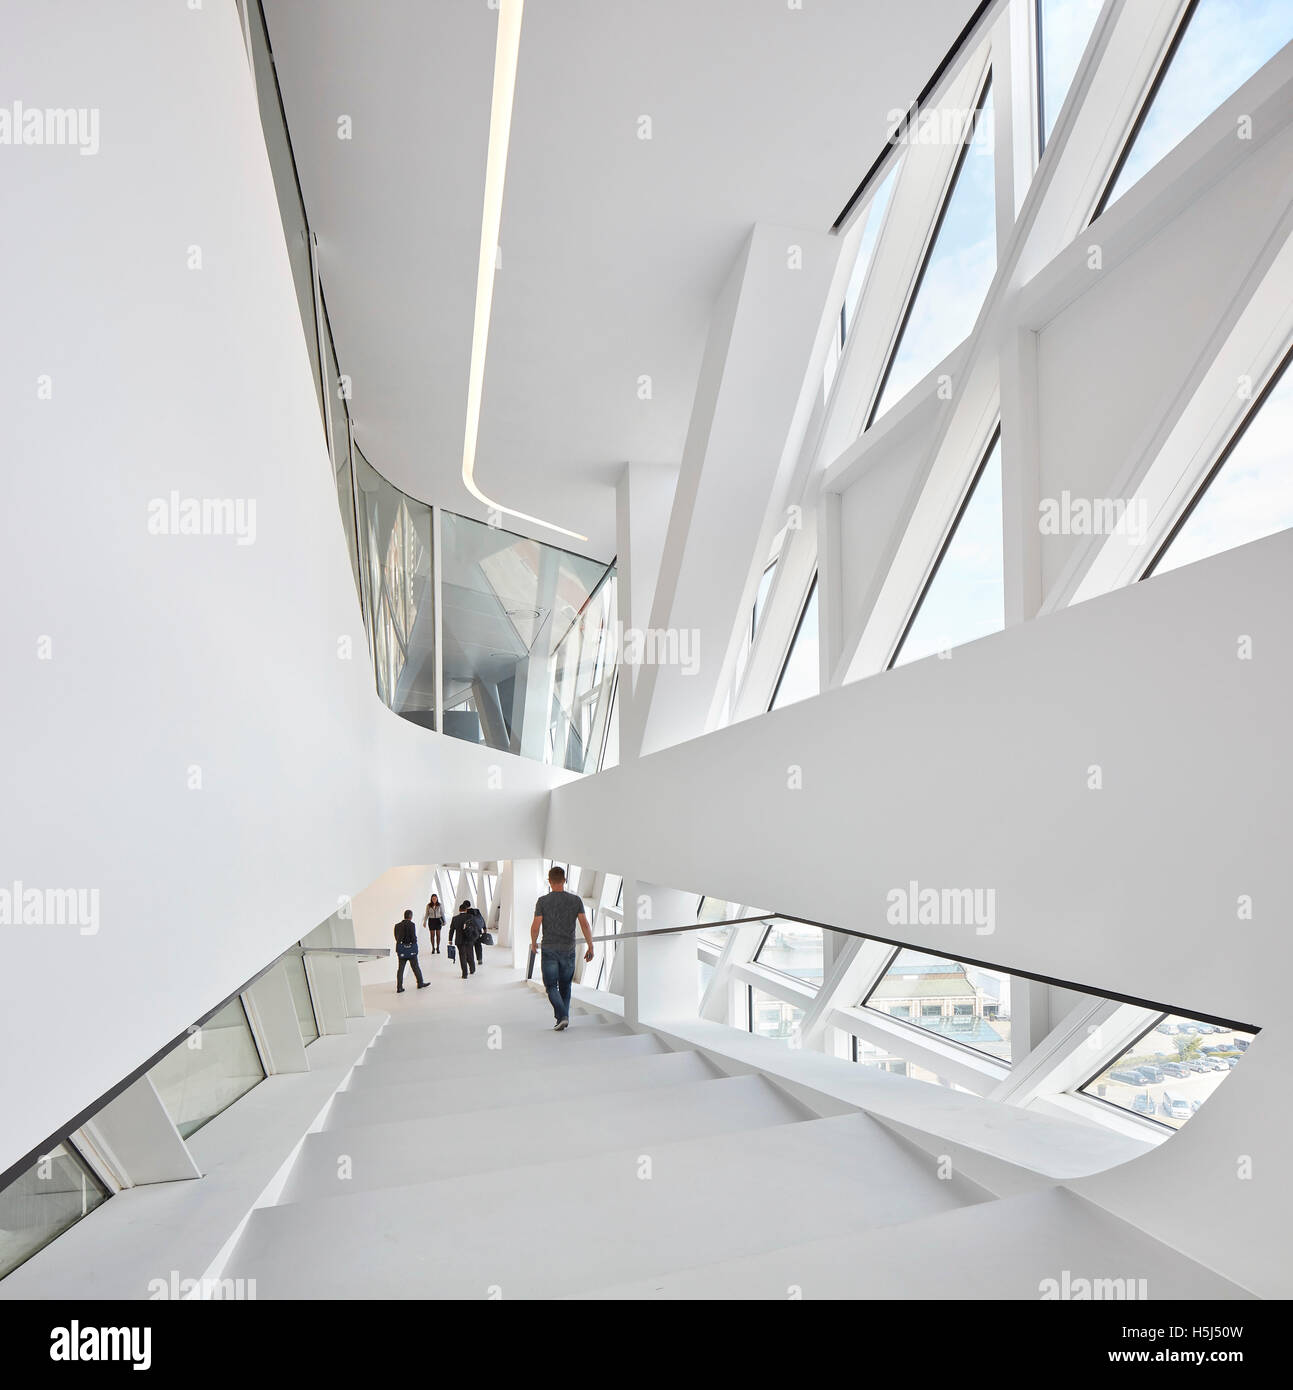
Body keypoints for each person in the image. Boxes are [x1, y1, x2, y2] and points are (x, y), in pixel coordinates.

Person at [530, 866, 594, 1030]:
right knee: (566, 985)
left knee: (551, 986)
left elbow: (536, 926)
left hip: (550, 949)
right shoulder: (576, 900)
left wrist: (534, 942)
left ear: (549, 882)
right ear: (564, 880)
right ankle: (563, 1017)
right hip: (568, 949)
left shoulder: (542, 901)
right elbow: (585, 925)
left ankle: (562, 1016)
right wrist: (590, 945)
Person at [393, 910, 429, 993]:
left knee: (401, 969)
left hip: (401, 950)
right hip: (411, 951)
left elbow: (396, 937)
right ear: (411, 916)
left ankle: (399, 987)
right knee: (415, 967)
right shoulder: (412, 925)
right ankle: (420, 983)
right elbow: (413, 938)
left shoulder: (397, 926)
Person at [448, 900, 479, 979]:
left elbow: (451, 930)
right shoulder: (470, 917)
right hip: (469, 940)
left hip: (459, 940)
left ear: (459, 910)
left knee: (462, 957)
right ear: (466, 910)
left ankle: (464, 974)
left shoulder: (455, 918)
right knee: (470, 954)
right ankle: (472, 969)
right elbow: (475, 927)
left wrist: (450, 939)